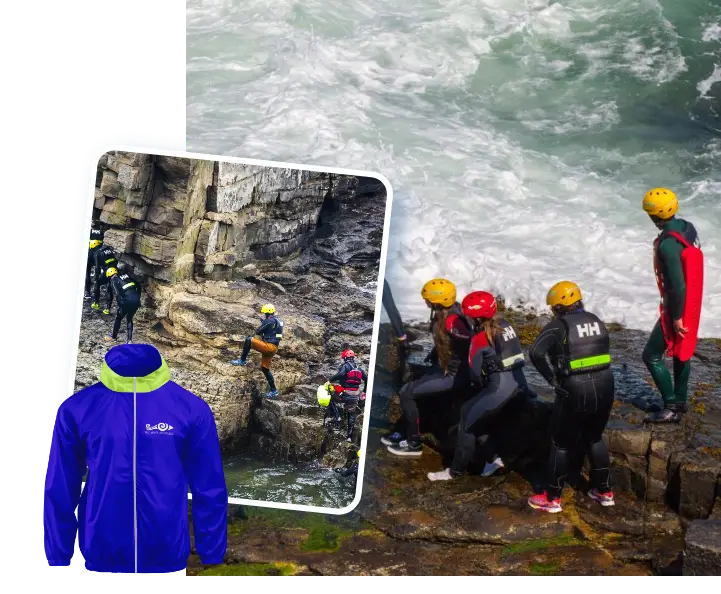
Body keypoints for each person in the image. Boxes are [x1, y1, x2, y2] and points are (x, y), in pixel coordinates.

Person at [43, 343, 228, 574]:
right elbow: (60, 484)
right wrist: (58, 554)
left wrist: (211, 550)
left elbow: (209, 485)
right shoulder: (76, 409)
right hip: (101, 553)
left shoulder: (191, 409)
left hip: (167, 555)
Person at [526, 281, 615, 513]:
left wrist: (552, 381)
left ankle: (552, 497)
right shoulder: (596, 320)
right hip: (605, 384)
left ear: (558, 306)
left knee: (560, 443)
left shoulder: (558, 326)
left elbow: (535, 352)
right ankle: (604, 491)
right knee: (594, 438)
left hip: (575, 388)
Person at [427, 291, 530, 481]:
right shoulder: (506, 326)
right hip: (519, 385)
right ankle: (493, 459)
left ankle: (454, 472)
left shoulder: (478, 339)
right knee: (478, 418)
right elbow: (517, 357)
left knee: (466, 419)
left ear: (474, 316)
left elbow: (474, 373)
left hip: (498, 390)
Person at [384, 278, 473, 457]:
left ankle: (413, 444)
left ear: (437, 302)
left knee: (406, 392)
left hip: (454, 375)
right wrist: (434, 356)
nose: (424, 301)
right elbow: (446, 343)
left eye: (427, 299)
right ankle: (403, 431)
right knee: (417, 383)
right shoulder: (447, 313)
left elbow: (471, 346)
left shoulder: (454, 322)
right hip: (446, 370)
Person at [641, 188, 704, 424]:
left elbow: (677, 286)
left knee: (651, 356)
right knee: (682, 351)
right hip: (694, 302)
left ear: (653, 215)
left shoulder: (668, 245)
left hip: (679, 305)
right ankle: (680, 401)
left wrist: (676, 317)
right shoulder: (688, 227)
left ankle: (671, 406)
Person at [230, 304, 284, 399]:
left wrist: (264, 324)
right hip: (274, 348)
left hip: (268, 347)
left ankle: (242, 360)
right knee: (265, 368)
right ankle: (274, 390)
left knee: (249, 340)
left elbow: (258, 331)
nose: (264, 314)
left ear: (266, 313)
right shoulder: (279, 321)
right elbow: (277, 333)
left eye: (264, 313)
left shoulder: (268, 320)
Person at [328, 349, 368, 443]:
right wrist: (364, 392)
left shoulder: (346, 366)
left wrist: (330, 380)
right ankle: (349, 437)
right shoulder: (359, 368)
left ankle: (337, 416)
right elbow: (367, 379)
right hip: (355, 395)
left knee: (331, 397)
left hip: (345, 393)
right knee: (352, 413)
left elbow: (340, 374)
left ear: (345, 358)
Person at [103, 267, 142, 344]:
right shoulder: (126, 275)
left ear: (109, 276)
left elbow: (117, 294)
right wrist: (138, 297)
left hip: (127, 300)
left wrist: (120, 304)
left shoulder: (114, 280)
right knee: (129, 318)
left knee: (119, 317)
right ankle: (129, 340)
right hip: (136, 299)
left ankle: (113, 336)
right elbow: (138, 285)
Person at [91, 244, 119, 314]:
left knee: (97, 283)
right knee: (109, 288)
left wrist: (96, 277)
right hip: (115, 270)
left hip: (107, 271)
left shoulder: (97, 253)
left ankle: (96, 303)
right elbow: (115, 260)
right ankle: (108, 309)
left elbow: (97, 268)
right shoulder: (108, 249)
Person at [85, 224, 106, 299]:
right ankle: (95, 291)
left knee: (87, 272)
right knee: (98, 272)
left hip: (89, 254)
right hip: (97, 255)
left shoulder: (88, 231)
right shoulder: (102, 232)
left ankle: (87, 292)